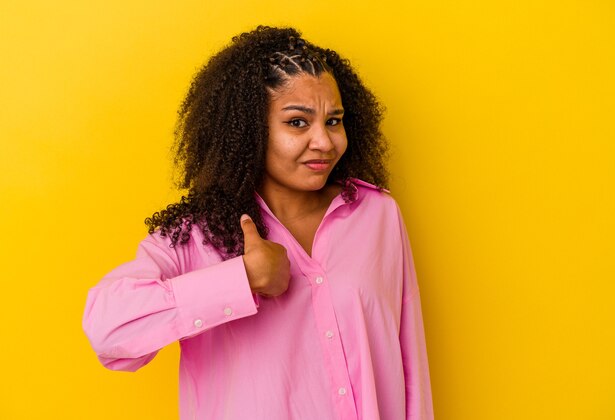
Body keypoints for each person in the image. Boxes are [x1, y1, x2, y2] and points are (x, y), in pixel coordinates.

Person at [82, 25, 433, 420]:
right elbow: (108, 330)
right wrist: (240, 279)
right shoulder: (198, 235)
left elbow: (410, 367)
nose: (325, 141)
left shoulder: (376, 214)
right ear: (250, 131)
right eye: (298, 122)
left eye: (334, 121)